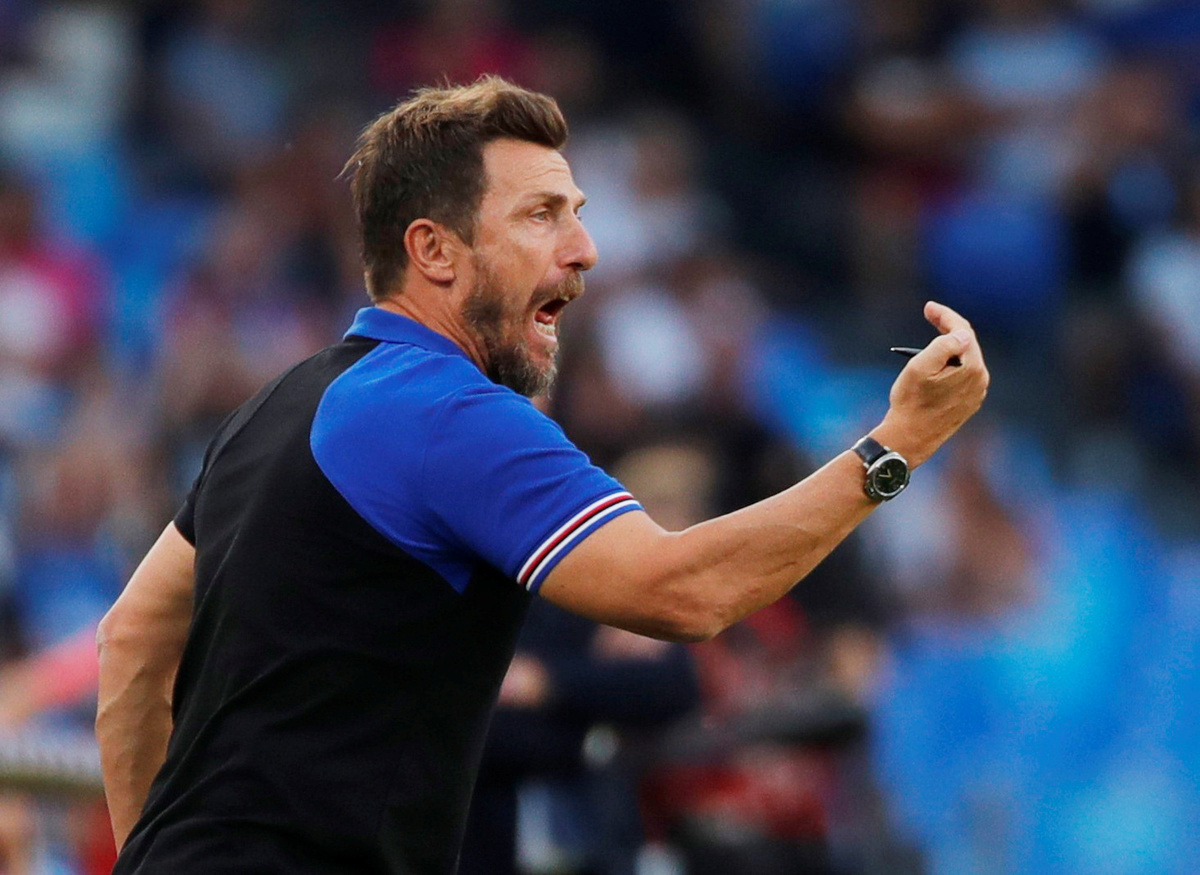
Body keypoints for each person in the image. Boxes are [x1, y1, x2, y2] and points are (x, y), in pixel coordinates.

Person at [95, 75, 989, 875]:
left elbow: (132, 641)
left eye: (577, 211)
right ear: (434, 251)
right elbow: (683, 591)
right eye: (541, 215)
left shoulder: (276, 405)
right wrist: (894, 449)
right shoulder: (449, 412)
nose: (585, 248)